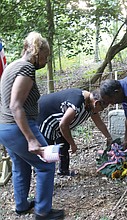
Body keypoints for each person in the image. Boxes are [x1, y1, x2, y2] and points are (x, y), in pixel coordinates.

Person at [0, 32, 64, 219]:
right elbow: (15, 105)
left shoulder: (11, 66)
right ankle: (43, 212)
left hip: (4, 128)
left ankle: (21, 205)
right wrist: (31, 139)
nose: (46, 61)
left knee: (21, 165)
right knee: (47, 164)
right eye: (45, 56)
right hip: (19, 127)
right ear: (37, 54)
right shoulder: (27, 68)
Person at [37, 88, 113, 176]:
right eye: (102, 108)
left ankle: (63, 171)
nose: (101, 110)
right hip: (46, 119)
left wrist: (109, 137)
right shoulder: (77, 102)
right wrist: (73, 144)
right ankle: (44, 175)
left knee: (64, 145)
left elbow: (99, 123)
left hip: (60, 123)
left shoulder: (90, 105)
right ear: (96, 103)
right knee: (48, 152)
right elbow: (63, 125)